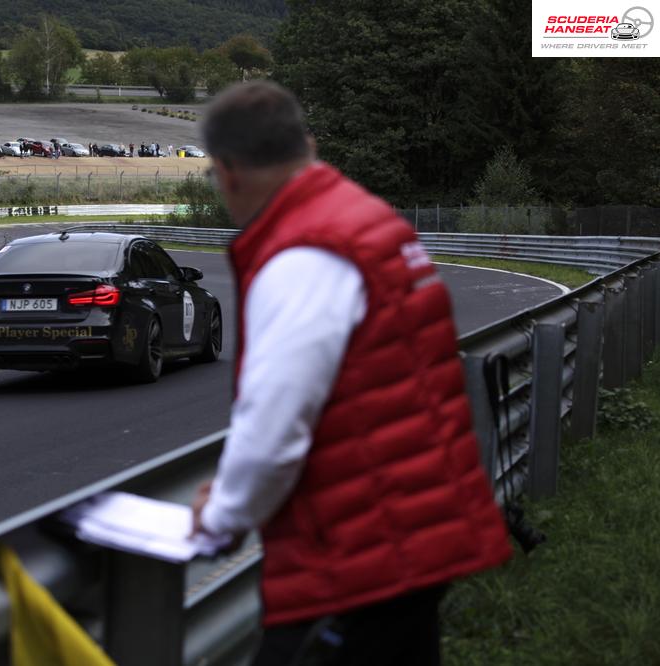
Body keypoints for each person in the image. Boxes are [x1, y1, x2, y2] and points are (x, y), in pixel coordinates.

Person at [191, 80, 512, 666]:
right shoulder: (362, 218)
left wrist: (221, 515)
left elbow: (276, 421)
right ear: (307, 145)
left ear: (229, 171)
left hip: (360, 550)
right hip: (411, 529)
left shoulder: (301, 255)